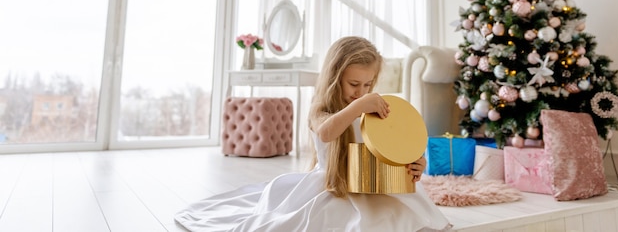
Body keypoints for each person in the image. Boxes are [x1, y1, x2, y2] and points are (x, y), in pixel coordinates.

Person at [175, 36, 452, 231]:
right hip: (336, 186)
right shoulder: (323, 109)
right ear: (334, 78)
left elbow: (398, 146)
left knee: (401, 217)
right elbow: (327, 132)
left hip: (374, 185)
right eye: (354, 84)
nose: (361, 92)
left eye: (368, 84)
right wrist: (358, 106)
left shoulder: (372, 108)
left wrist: (416, 163)